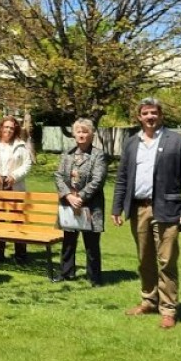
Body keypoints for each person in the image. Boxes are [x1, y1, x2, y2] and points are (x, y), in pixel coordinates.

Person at [112, 97, 181, 329]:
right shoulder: (131, 143)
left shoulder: (176, 141)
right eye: (146, 113)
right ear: (139, 117)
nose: (150, 117)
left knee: (166, 260)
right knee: (144, 259)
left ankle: (168, 309)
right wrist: (117, 206)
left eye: (154, 113)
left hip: (168, 209)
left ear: (161, 116)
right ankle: (149, 300)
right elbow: (122, 178)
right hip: (138, 208)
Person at [53, 118, 107, 285]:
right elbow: (58, 176)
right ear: (74, 134)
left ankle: (94, 277)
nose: (82, 135)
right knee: (68, 241)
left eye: (85, 132)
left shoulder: (98, 155)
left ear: (92, 134)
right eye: (79, 131)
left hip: (90, 205)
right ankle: (66, 272)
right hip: (69, 203)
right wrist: (68, 195)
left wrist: (81, 197)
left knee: (91, 244)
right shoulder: (67, 154)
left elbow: (98, 180)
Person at [0, 115, 33, 264]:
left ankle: (21, 256)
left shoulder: (21, 145)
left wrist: (14, 176)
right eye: (6, 127)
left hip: (15, 188)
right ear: (1, 128)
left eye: (12, 128)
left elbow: (27, 165)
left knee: (18, 221)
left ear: (15, 130)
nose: (9, 130)